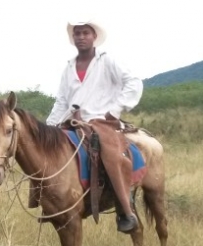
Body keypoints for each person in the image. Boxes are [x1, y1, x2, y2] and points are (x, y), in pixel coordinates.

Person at [43, 19, 144, 233]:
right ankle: (50, 205)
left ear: (94, 36)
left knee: (109, 152)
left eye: (85, 33)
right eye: (77, 33)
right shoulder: (68, 68)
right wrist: (48, 127)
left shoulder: (107, 61)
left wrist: (115, 110)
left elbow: (133, 82)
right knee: (45, 153)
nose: (81, 36)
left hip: (101, 121)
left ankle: (125, 210)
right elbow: (61, 101)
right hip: (72, 121)